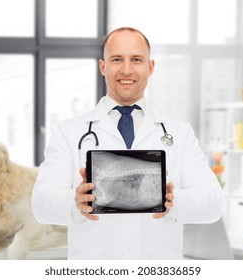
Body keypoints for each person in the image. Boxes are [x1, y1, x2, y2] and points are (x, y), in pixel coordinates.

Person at [32, 27, 224, 260]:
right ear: (103, 66)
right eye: (116, 59)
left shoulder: (179, 133)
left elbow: (213, 203)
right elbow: (40, 203)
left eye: (136, 59)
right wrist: (75, 202)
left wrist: (174, 201)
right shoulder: (69, 132)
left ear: (150, 67)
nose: (126, 70)